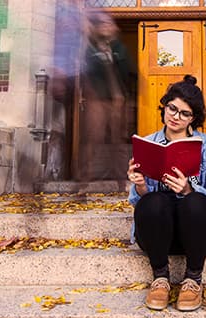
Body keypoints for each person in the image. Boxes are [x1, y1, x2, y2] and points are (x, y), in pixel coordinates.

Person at [126, 75, 206, 312]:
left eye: (185, 113)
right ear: (165, 105)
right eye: (172, 108)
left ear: (194, 118)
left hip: (198, 236)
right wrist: (139, 184)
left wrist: (190, 189)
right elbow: (136, 203)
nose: (175, 117)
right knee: (154, 200)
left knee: (196, 202)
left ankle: (193, 279)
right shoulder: (148, 142)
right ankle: (160, 277)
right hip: (158, 237)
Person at [77, 11, 132, 193]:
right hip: (97, 101)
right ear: (97, 28)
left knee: (119, 143)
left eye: (109, 25)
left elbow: (127, 72)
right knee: (93, 138)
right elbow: (85, 73)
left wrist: (112, 57)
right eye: (103, 25)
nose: (107, 27)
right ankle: (84, 183)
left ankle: (122, 182)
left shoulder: (119, 48)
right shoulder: (89, 49)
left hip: (118, 102)